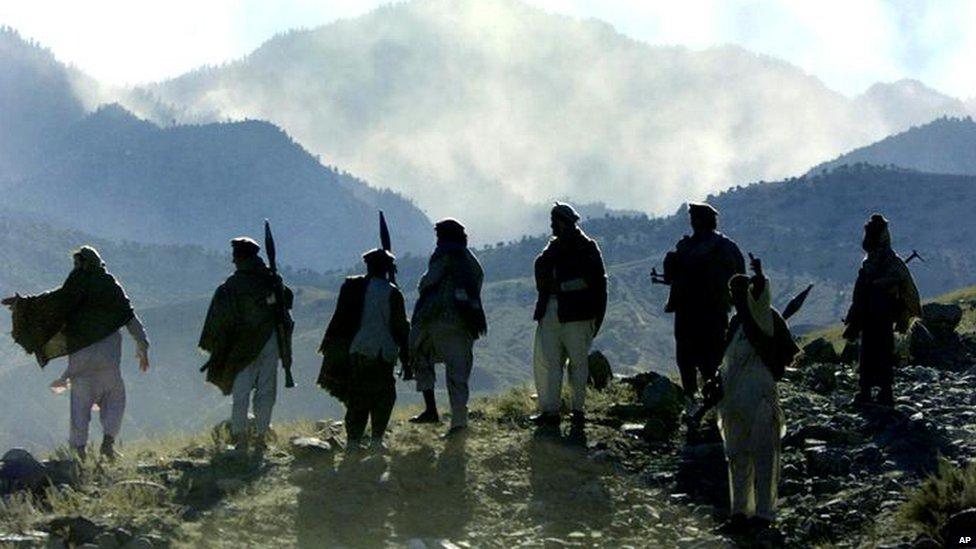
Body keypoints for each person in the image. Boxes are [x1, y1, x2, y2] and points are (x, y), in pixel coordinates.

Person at [2, 246, 150, 461]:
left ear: (82, 263)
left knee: (80, 406)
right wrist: (142, 346)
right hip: (109, 357)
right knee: (115, 400)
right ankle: (108, 443)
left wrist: (22, 304)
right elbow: (130, 317)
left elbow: (51, 301)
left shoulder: (75, 287)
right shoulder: (109, 286)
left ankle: (79, 451)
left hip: (81, 358)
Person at [717, 257, 798, 531]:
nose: (734, 298)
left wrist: (760, 274)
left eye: (739, 293)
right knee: (738, 456)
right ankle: (740, 511)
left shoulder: (761, 316)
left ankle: (764, 513)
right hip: (733, 401)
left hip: (760, 396)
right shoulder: (736, 325)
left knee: (764, 456)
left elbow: (762, 293)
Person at [199, 237, 293, 452]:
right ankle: (260, 436)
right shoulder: (270, 278)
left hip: (242, 348)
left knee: (240, 394)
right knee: (266, 391)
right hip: (270, 342)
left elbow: (220, 321)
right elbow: (287, 300)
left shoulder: (231, 285)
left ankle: (240, 437)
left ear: (239, 257)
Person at [317, 249, 410, 452]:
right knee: (383, 397)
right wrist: (407, 357)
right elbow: (400, 327)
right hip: (381, 353)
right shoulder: (392, 293)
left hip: (357, 350)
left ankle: (353, 442)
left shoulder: (353, 287)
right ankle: (376, 441)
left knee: (358, 398)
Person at [662, 202, 745, 414]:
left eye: (694, 218)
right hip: (705, 313)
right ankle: (709, 403)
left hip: (700, 313)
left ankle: (703, 403)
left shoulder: (694, 247)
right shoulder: (725, 246)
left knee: (698, 359)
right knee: (702, 358)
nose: (692, 221)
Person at [530, 203, 607, 427]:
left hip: (577, 315)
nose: (552, 225)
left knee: (578, 364)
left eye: (555, 221)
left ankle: (577, 410)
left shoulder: (586, 248)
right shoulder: (552, 250)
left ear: (563, 222)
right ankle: (551, 411)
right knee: (553, 363)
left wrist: (560, 287)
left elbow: (595, 283)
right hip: (553, 313)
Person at [409, 218, 487, 437]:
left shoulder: (443, 255)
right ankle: (459, 423)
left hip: (437, 320)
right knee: (458, 376)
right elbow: (476, 285)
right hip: (466, 323)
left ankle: (431, 409)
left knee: (418, 353)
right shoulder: (472, 261)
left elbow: (428, 281)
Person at [842, 214, 920, 407]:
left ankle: (882, 391)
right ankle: (870, 391)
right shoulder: (873, 262)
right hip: (871, 312)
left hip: (881, 313)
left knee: (880, 350)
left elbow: (906, 288)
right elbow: (861, 291)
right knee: (872, 351)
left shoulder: (887, 262)